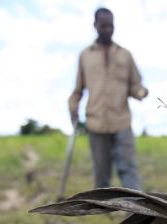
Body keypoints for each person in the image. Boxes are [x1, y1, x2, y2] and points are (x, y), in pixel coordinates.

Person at [68, 7, 148, 190]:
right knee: (101, 173)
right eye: (103, 26)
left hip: (121, 121)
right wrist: (73, 108)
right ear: (95, 25)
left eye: (110, 26)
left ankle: (136, 211)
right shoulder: (85, 55)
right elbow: (78, 90)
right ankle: (102, 212)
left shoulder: (125, 55)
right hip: (96, 123)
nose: (107, 30)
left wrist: (142, 92)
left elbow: (135, 85)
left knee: (128, 169)